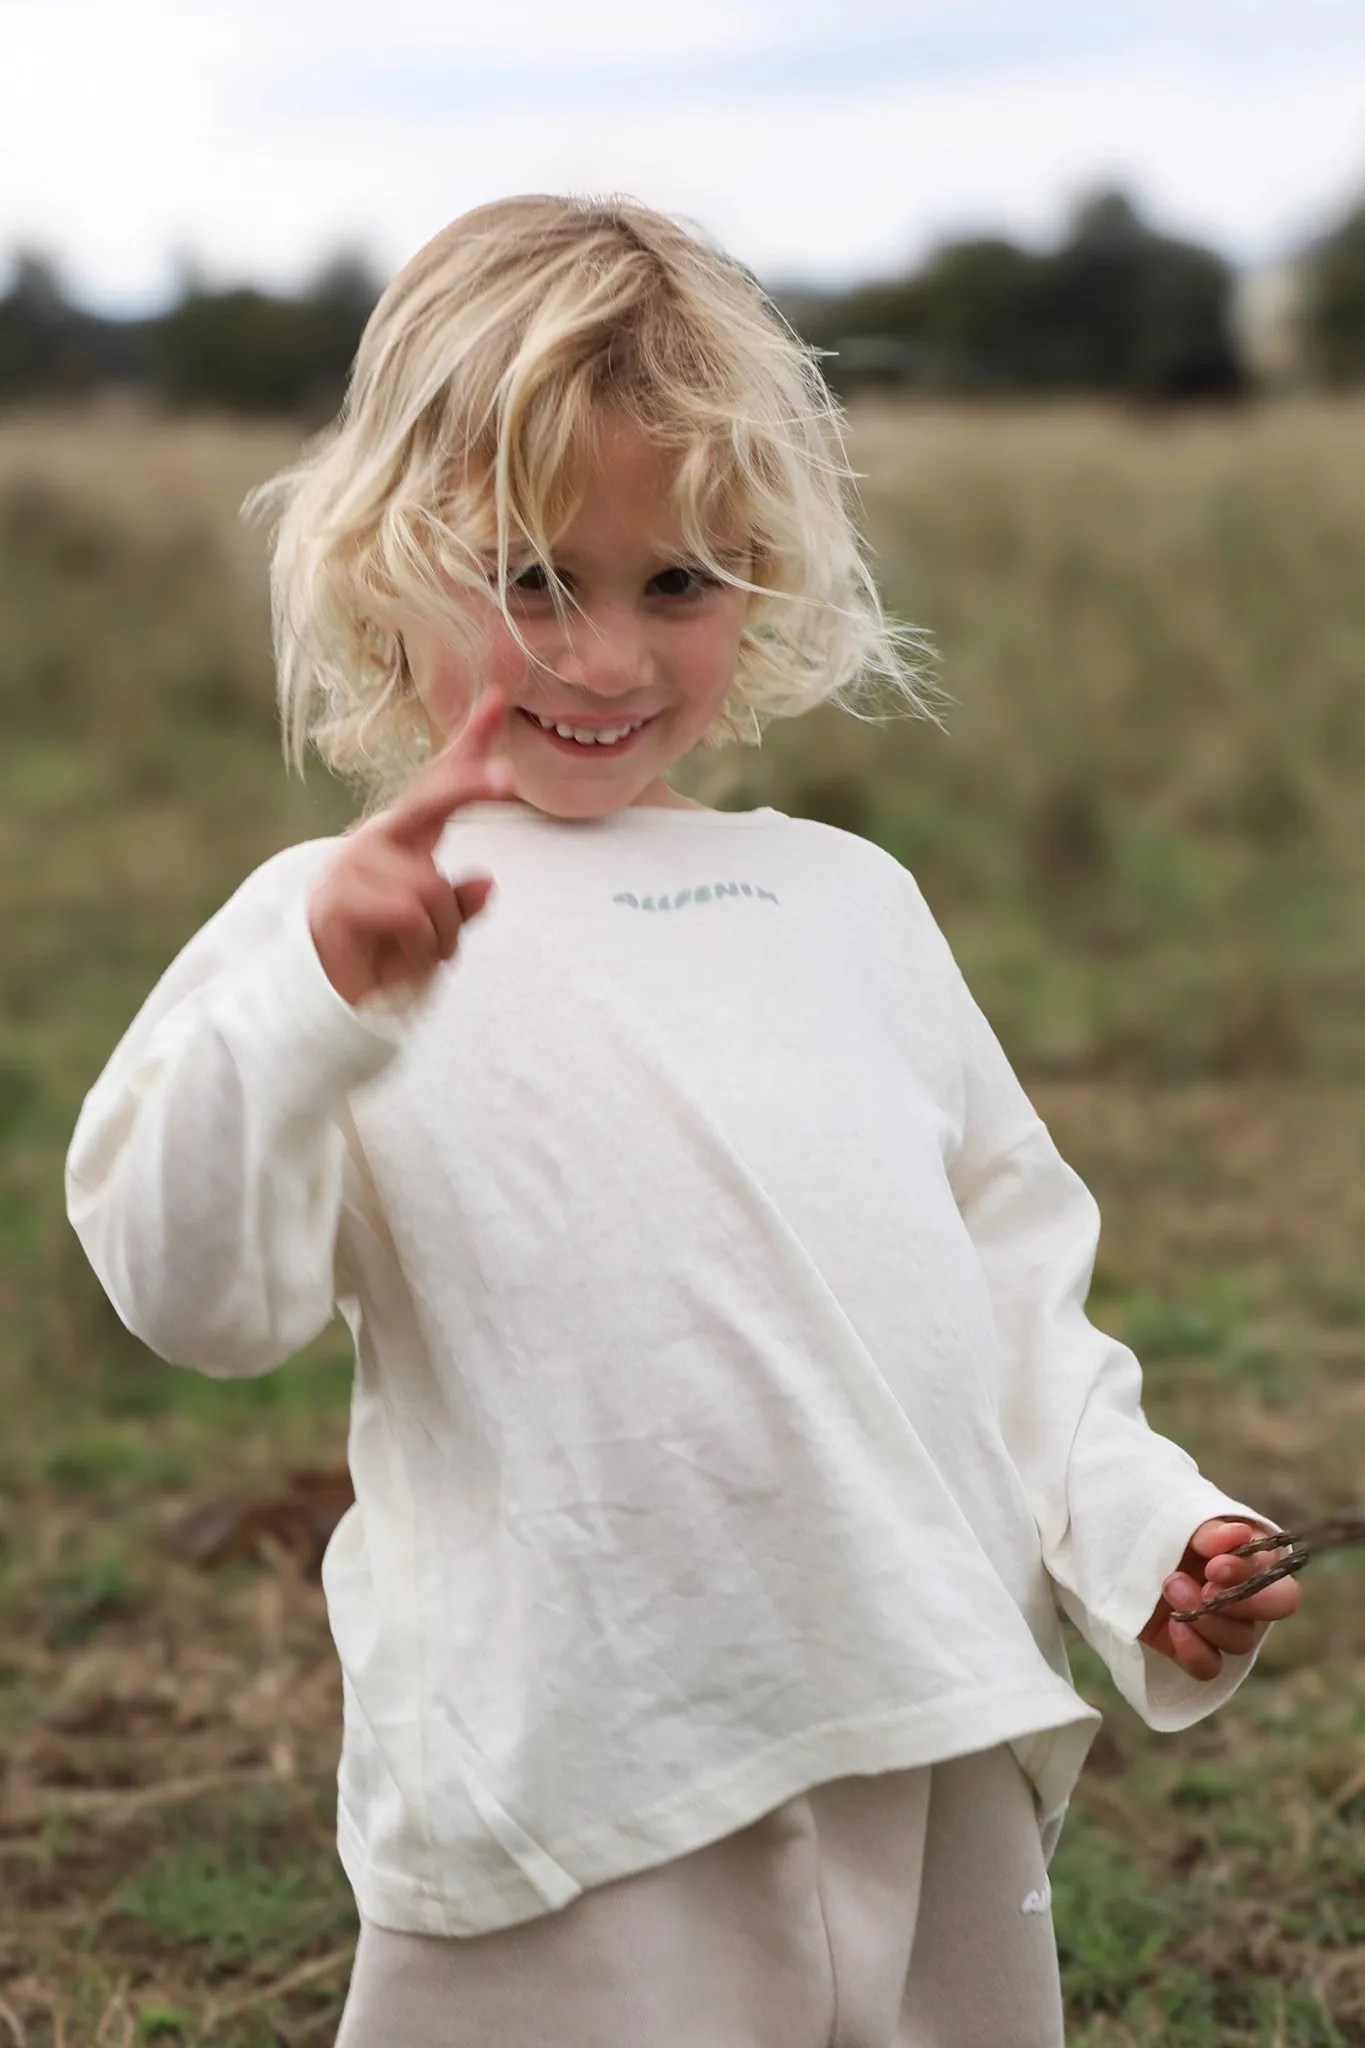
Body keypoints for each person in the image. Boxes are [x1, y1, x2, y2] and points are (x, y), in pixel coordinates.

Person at [65, 195, 1301, 2048]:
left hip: (927, 1724)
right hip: (574, 1788)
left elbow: (1008, 1297)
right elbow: (189, 1296)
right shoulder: (334, 914)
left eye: (680, 584)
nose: (609, 658)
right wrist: (312, 1008)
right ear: (384, 561)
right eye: (533, 579)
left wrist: (1144, 1534)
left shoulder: (847, 902)